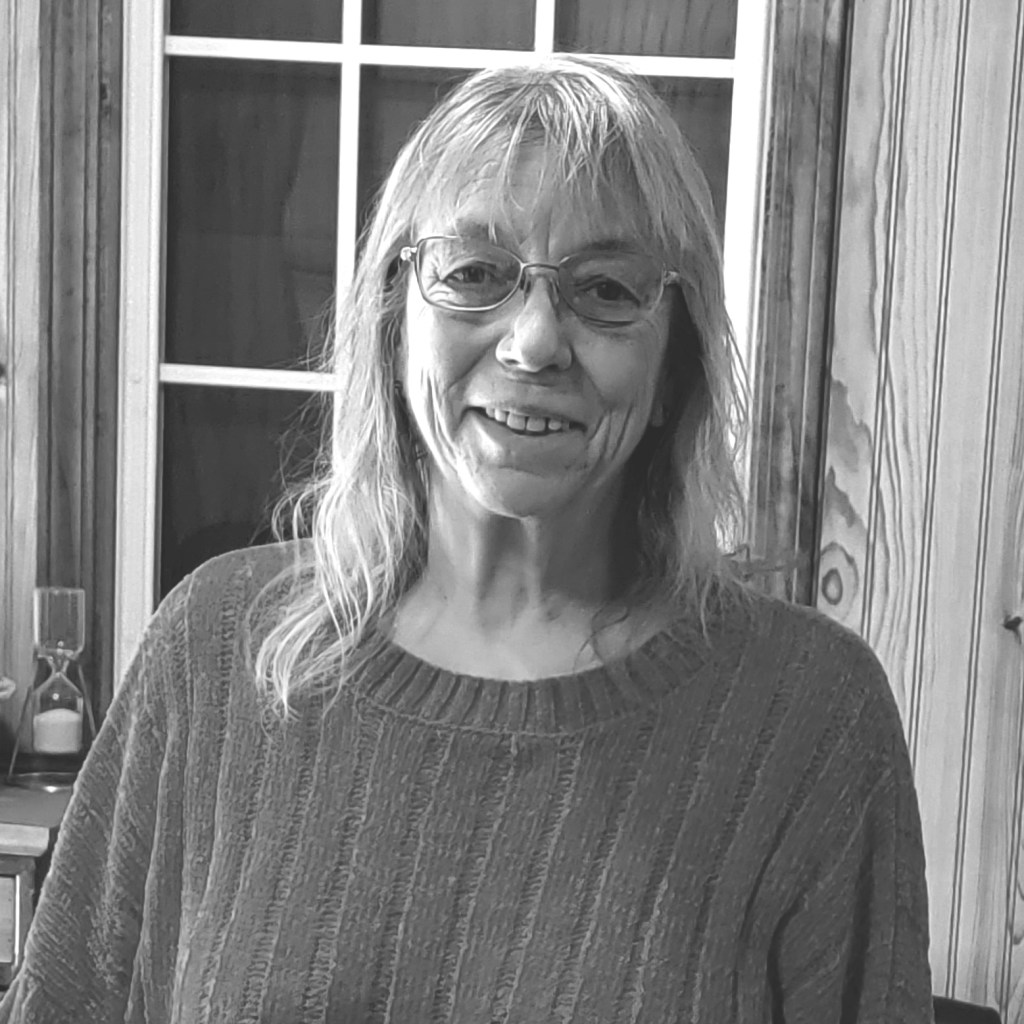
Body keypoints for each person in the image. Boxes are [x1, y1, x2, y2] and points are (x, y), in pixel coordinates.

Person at [0, 55, 933, 1023]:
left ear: (676, 365)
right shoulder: (212, 649)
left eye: (606, 289)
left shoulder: (810, 718)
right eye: (475, 273)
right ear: (393, 318)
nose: (533, 343)